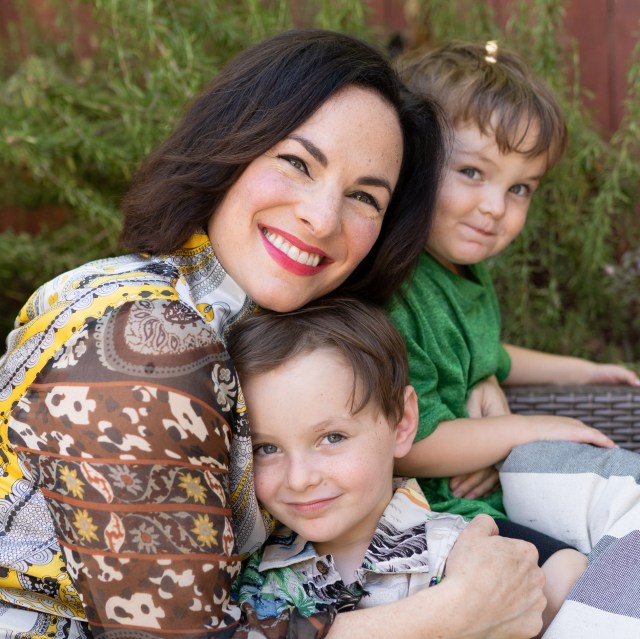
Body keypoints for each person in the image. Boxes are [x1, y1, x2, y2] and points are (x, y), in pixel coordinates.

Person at [0, 29, 545, 639]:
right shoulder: (146, 339)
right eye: (296, 163)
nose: (322, 217)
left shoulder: (277, 329)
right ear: (228, 150)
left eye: (364, 197)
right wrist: (456, 614)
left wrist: (479, 380)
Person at [387, 41, 637, 536]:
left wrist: (581, 372)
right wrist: (520, 432)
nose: (496, 207)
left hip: (485, 504)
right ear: (410, 160)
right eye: (472, 172)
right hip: (431, 519)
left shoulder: (460, 272)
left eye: (519, 188)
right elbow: (408, 445)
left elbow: (486, 352)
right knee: (578, 557)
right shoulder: (400, 291)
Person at [227, 295, 582, 635]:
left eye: (332, 437)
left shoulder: (468, 560)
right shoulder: (245, 578)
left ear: (402, 422)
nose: (299, 479)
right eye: (266, 448)